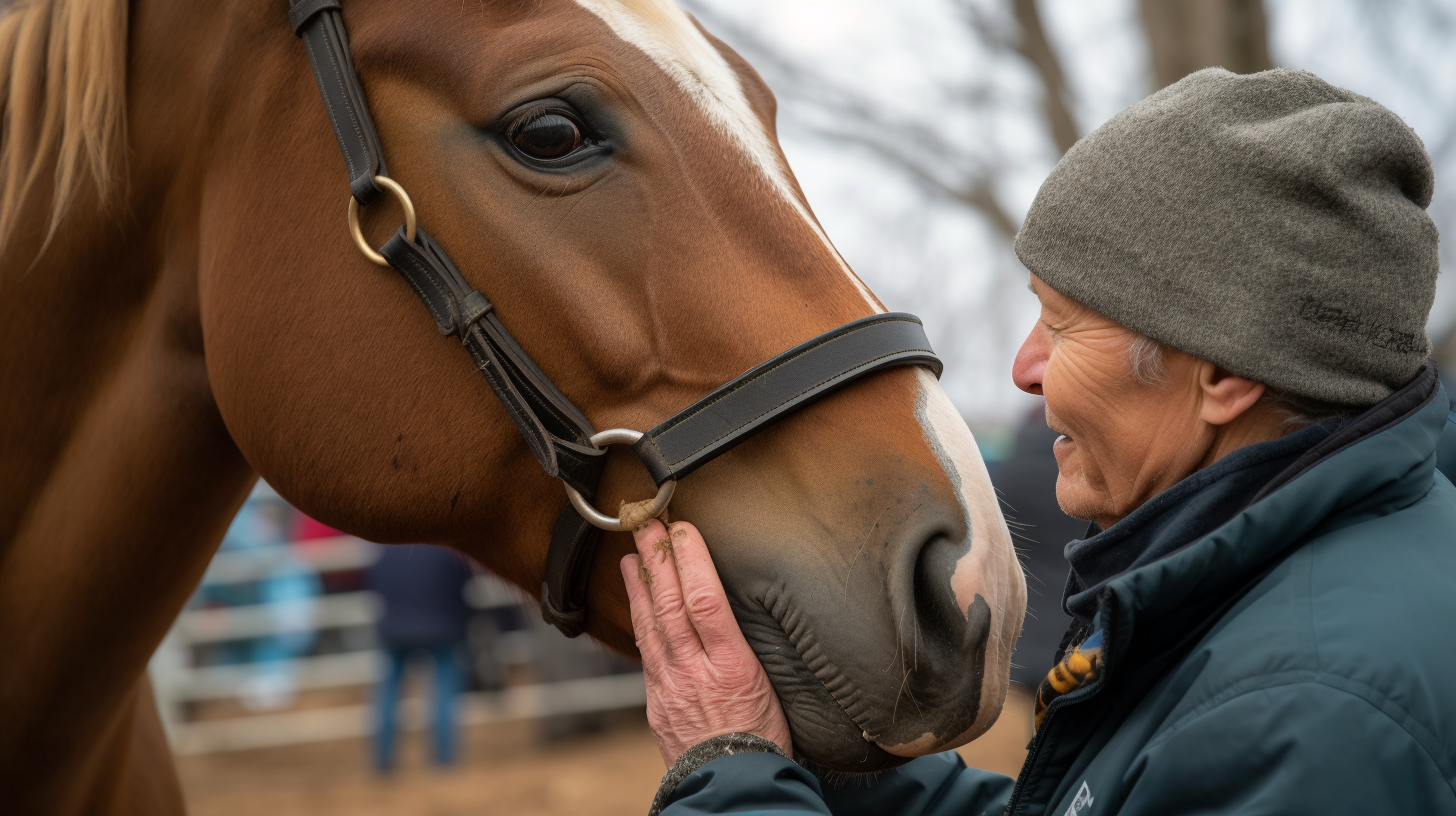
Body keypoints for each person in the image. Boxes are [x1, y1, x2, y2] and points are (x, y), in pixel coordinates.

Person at [619, 68, 1456, 816]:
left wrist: (729, 783)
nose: (1024, 368)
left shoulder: (1301, 714)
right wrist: (815, 766)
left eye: (1061, 324)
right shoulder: (1302, 601)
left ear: (1223, 374)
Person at [366, 544, 475, 773]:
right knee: (444, 690)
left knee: (388, 692)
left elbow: (374, 581)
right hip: (443, 626)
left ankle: (383, 761)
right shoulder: (446, 546)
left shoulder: (387, 545)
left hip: (395, 628)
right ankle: (443, 760)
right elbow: (465, 581)